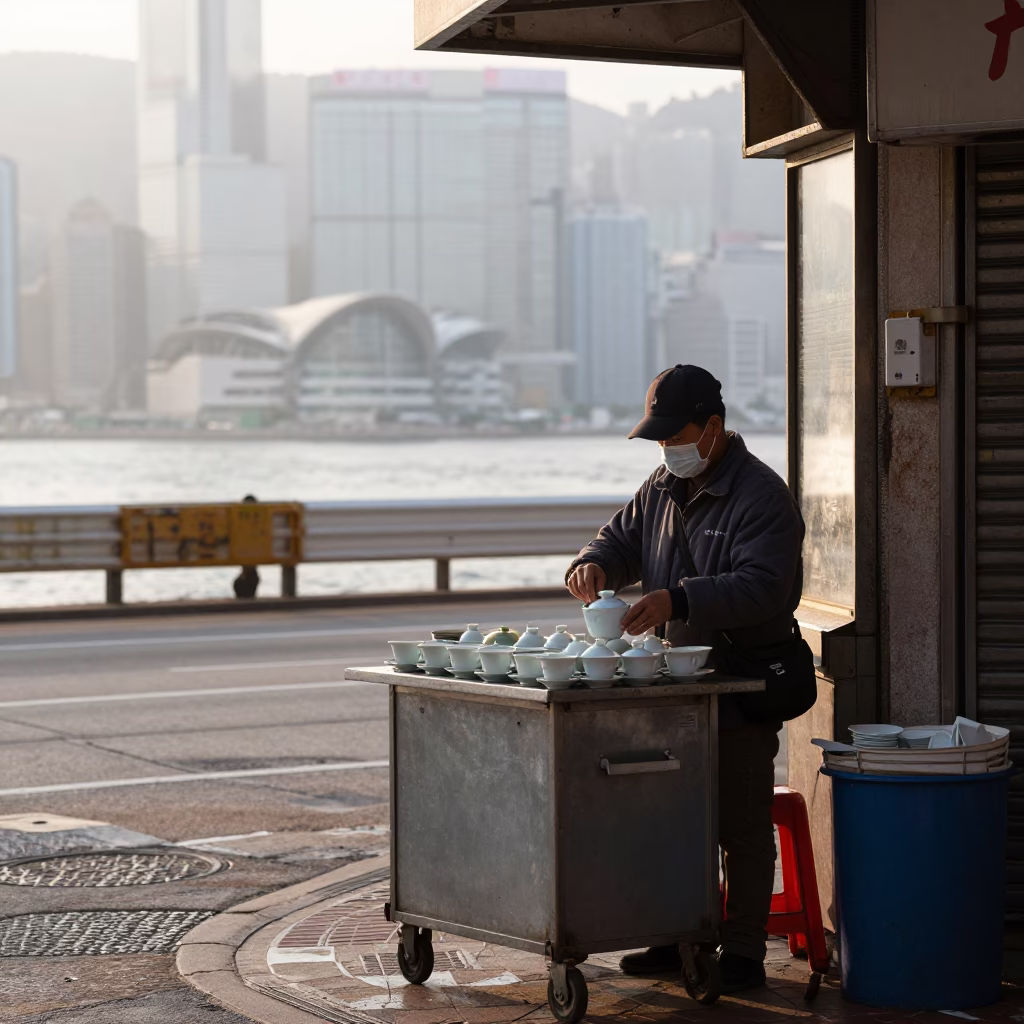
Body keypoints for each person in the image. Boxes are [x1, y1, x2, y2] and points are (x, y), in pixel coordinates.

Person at [565, 364, 812, 994]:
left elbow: (764, 587)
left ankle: (746, 949)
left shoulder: (762, 497)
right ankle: (678, 933)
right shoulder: (659, 487)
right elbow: (617, 541)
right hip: (672, 690)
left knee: (741, 822)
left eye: (676, 436)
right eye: (659, 439)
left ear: (713, 429)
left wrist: (678, 599)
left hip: (740, 684)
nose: (666, 448)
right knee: (671, 816)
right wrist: (592, 564)